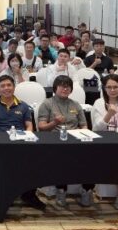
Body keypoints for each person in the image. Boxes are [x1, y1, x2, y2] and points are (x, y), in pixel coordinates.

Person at [0, 75, 43, 211]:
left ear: (14, 87)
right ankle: (3, 194)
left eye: (9, 85)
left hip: (19, 142)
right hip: (0, 144)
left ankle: (28, 195)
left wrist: (28, 138)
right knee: (5, 163)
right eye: (2, 86)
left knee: (36, 161)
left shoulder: (23, 106)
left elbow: (29, 126)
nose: (6, 88)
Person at [36, 75, 93, 208]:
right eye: (62, 86)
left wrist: (83, 134)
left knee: (91, 157)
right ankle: (61, 191)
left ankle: (86, 190)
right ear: (55, 88)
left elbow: (84, 125)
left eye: (68, 87)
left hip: (75, 140)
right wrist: (55, 122)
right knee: (61, 158)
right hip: (55, 141)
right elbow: (41, 127)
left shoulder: (75, 104)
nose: (65, 89)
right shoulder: (47, 104)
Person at [91, 74, 118, 215]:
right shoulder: (99, 103)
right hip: (103, 141)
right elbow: (96, 129)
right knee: (116, 161)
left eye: (116, 87)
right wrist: (109, 114)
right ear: (104, 89)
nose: (112, 90)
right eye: (109, 87)